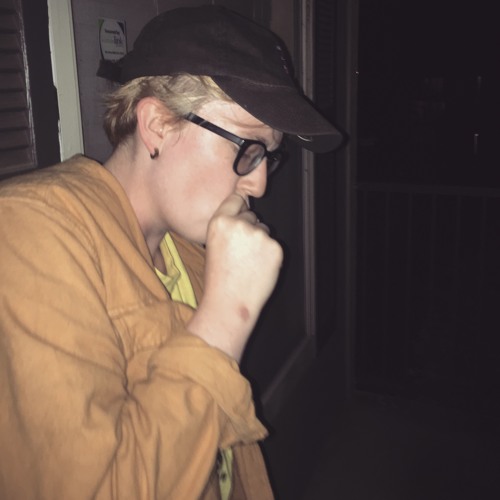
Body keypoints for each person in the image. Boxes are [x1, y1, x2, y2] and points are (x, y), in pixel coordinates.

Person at [0, 6, 342, 500]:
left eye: (269, 155)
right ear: (158, 122)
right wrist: (227, 316)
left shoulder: (191, 254)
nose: (260, 183)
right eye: (246, 148)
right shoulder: (31, 233)